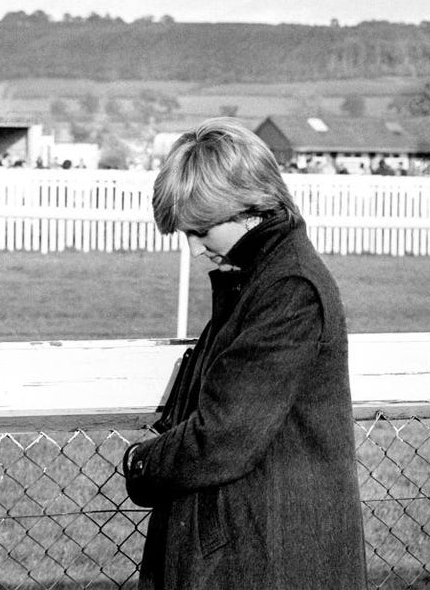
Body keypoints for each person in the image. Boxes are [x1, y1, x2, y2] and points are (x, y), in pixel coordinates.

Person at [124, 118, 367, 589]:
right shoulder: (261, 279)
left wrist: (141, 464)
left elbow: (223, 436)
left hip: (271, 554)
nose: (194, 250)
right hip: (258, 543)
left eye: (200, 231)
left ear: (246, 207)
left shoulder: (288, 289)